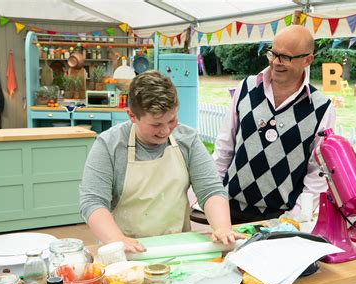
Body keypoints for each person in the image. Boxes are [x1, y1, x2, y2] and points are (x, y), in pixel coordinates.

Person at [80, 70, 242, 252]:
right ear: (132, 115)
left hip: (178, 246)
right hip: (127, 252)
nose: (166, 131)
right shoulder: (109, 145)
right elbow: (93, 202)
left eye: (172, 120)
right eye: (156, 124)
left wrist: (222, 227)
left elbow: (210, 190)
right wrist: (117, 240)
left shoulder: (187, 139)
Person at [213, 25, 336, 224]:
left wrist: (294, 219)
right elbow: (224, 149)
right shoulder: (246, 88)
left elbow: (318, 173)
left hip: (280, 217)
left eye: (285, 57)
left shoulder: (321, 108)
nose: (276, 62)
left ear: (308, 60)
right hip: (229, 209)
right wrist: (214, 198)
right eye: (273, 53)